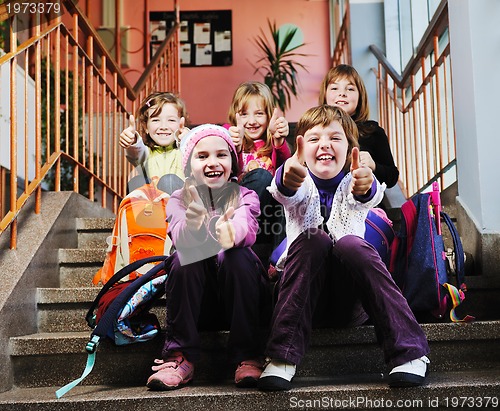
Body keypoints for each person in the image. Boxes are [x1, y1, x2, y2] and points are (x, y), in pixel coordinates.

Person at [258, 105, 430, 391]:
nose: (324, 144)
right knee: (314, 238)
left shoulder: (354, 181)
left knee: (350, 243)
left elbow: (366, 192)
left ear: (352, 148)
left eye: (335, 138)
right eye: (314, 139)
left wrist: (366, 185)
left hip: (351, 303)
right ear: (300, 147)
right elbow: (287, 189)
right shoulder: (300, 179)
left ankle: (410, 352)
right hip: (301, 299)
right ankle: (281, 356)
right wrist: (286, 177)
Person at [146, 124, 270, 391]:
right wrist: (194, 226)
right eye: (202, 156)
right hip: (199, 304)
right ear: (190, 166)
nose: (213, 162)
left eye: (221, 155)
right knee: (183, 258)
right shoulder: (179, 198)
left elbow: (247, 228)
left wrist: (229, 232)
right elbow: (179, 236)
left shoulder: (244, 195)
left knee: (237, 256)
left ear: (232, 162)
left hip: (241, 299)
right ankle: (180, 356)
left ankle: (247, 354)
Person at [226, 81, 291, 246]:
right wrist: (236, 147)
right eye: (244, 114)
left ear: (269, 115)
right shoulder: (229, 135)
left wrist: (279, 142)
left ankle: (279, 259)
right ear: (234, 115)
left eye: (259, 113)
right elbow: (227, 171)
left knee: (283, 193)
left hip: (268, 218)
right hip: (236, 209)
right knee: (261, 176)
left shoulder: (272, 144)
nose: (252, 121)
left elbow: (285, 172)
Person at [319, 64, 400, 188]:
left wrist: (374, 166)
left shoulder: (373, 131)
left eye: (350, 89)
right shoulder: (315, 130)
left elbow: (392, 177)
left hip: (365, 202)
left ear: (360, 97)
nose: (342, 93)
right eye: (335, 88)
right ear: (324, 94)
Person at [119, 91, 189, 194]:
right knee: (137, 181)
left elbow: (200, 153)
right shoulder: (145, 154)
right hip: (152, 207)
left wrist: (189, 139)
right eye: (156, 120)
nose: (164, 126)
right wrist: (132, 140)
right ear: (145, 127)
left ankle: (172, 210)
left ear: (181, 124)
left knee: (168, 180)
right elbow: (136, 152)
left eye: (171, 120)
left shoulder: (185, 151)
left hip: (181, 206)